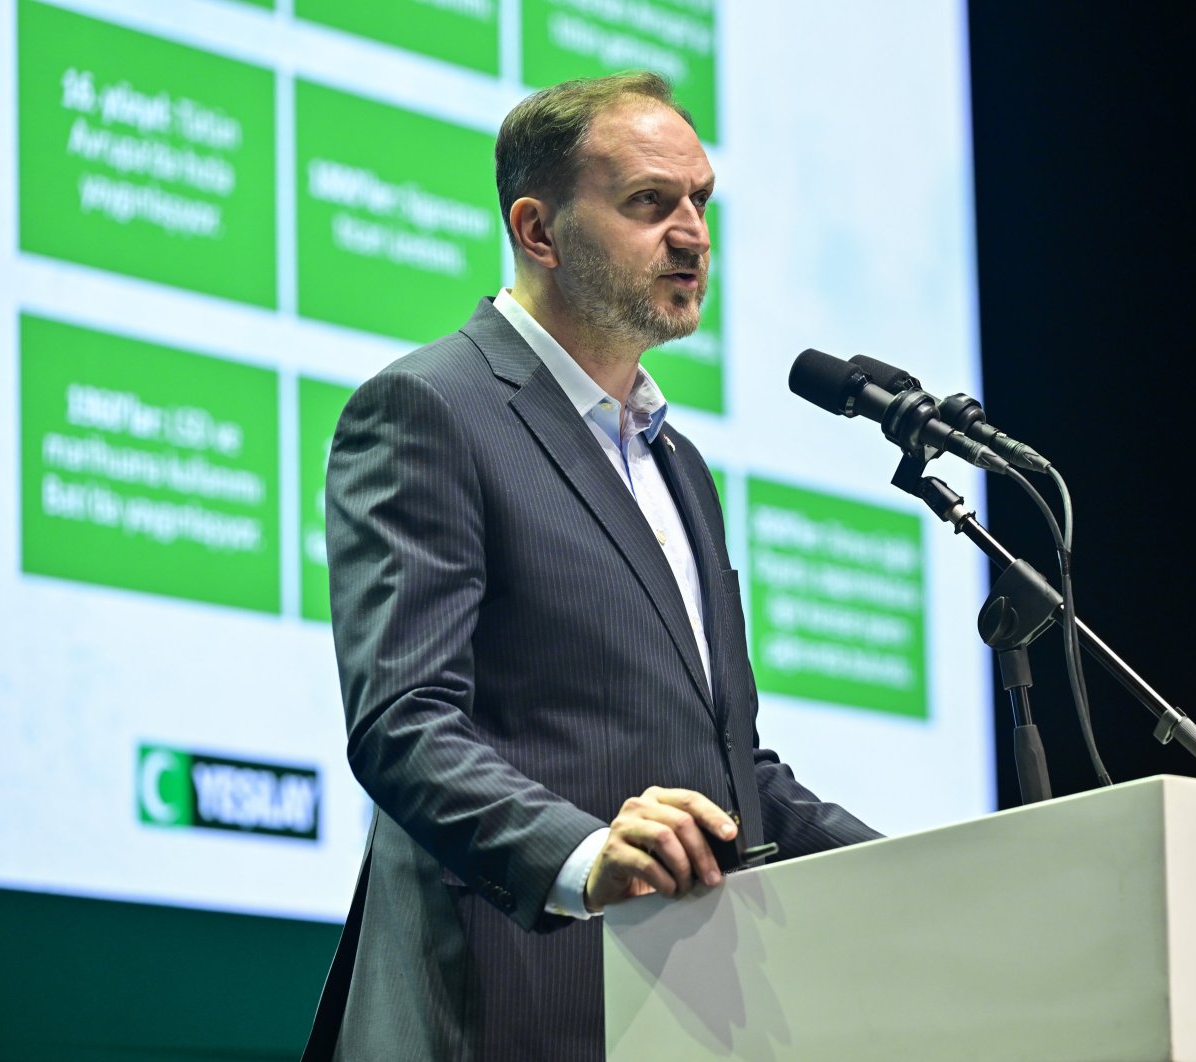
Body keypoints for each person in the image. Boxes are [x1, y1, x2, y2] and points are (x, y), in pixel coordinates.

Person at [302, 72, 880, 1061]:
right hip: (503, 996)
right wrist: (582, 858)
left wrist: (921, 868)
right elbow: (406, 725)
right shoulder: (430, 411)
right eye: (650, 203)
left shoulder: (678, 464)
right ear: (538, 230)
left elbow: (728, 761)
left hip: (680, 1007)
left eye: (700, 200)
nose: (693, 234)